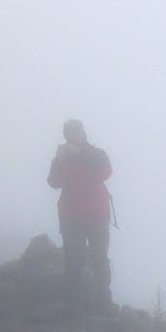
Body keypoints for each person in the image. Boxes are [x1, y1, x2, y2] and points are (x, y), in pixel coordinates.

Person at [47, 119, 114, 312]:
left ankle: (103, 304)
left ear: (83, 132)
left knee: (99, 259)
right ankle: (72, 305)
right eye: (69, 132)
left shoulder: (96, 153)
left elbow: (106, 172)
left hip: (96, 215)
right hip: (72, 216)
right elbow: (53, 182)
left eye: (76, 131)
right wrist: (61, 160)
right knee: (74, 260)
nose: (73, 135)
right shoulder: (61, 158)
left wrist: (82, 155)